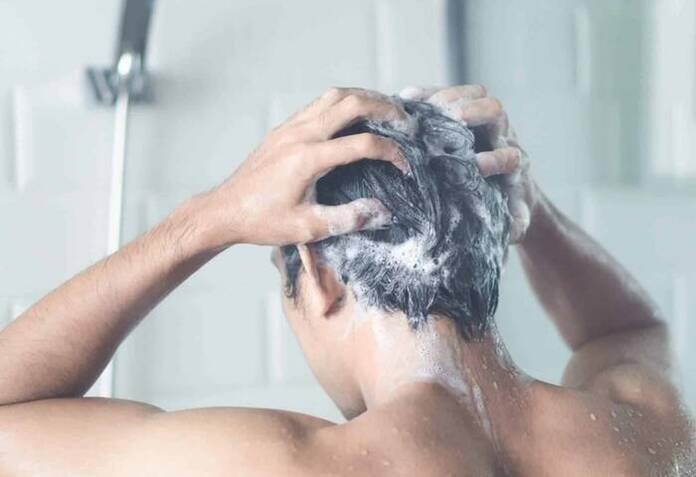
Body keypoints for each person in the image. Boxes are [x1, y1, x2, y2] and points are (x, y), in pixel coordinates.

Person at [0, 86, 692, 476]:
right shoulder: (643, 434)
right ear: (490, 243)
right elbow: (628, 328)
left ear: (319, 276)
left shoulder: (284, 464)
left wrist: (207, 218)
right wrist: (531, 207)